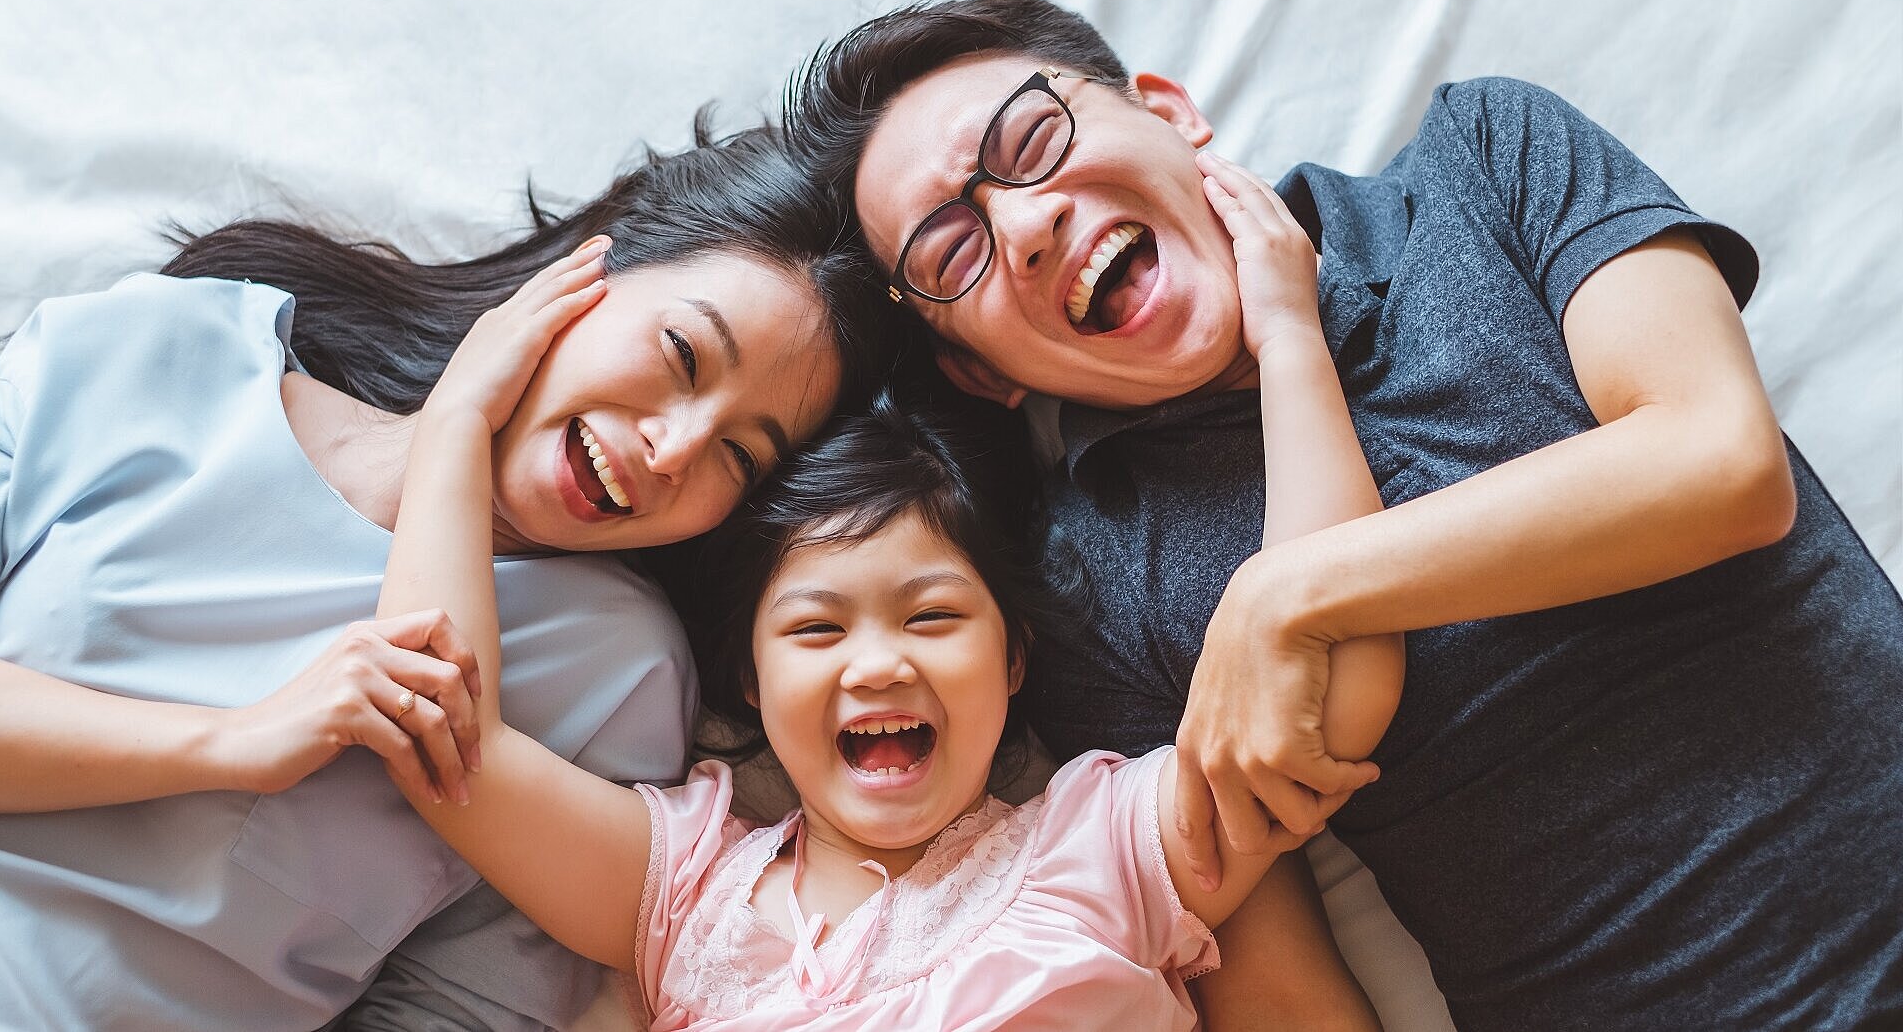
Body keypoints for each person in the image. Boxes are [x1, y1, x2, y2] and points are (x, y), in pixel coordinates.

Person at [782, 0, 1903, 1028]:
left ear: (1171, 115)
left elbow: (1718, 463)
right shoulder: (1089, 591)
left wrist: (1287, 594)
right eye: (952, 252)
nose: (1024, 224)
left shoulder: (1485, 158)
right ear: (982, 374)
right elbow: (1274, 980)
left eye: (1031, 143)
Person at [0, 126, 885, 1029]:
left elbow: (458, 1010)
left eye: (739, 457)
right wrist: (229, 744)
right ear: (592, 268)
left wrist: (457, 431)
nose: (673, 448)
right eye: (680, 353)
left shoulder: (613, 671)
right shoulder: (161, 345)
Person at [363, 167, 1391, 1028]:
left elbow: (1323, 680)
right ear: (749, 684)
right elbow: (446, 733)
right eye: (814, 627)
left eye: (932, 616)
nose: (879, 662)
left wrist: (1288, 345)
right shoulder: (683, 891)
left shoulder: (1103, 843)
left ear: (1013, 657)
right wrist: (456, 418)